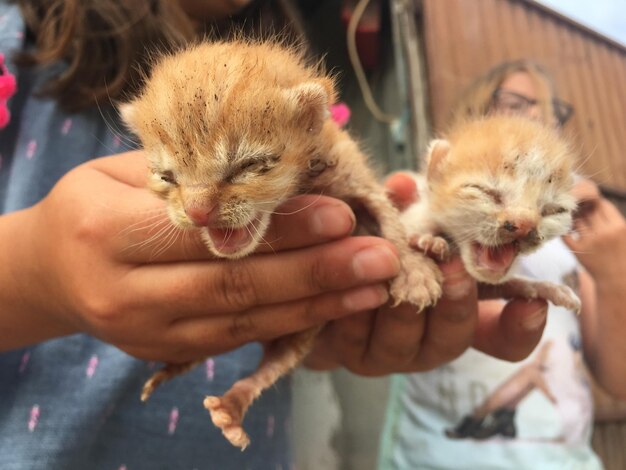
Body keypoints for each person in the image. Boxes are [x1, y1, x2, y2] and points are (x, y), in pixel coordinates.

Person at [0, 3, 550, 468]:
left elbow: (355, 214)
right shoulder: (14, 40)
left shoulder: (284, 82)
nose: (196, 209)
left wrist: (329, 307)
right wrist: (34, 274)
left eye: (241, 170)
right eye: (169, 176)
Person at [379, 60, 626, 469]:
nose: (534, 117)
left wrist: (617, 272)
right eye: (515, 102)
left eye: (548, 111)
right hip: (433, 457)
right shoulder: (431, 191)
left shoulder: (573, 237)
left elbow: (618, 379)